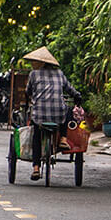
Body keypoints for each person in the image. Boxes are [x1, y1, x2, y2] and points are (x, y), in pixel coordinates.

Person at [22, 45, 78, 181]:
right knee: (66, 109)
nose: (32, 64)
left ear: (41, 63)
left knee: (36, 136)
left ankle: (36, 168)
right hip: (58, 114)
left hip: (39, 114)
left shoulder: (34, 74)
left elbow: (28, 91)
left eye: (34, 61)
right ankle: (63, 139)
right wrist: (78, 96)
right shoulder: (59, 73)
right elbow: (71, 89)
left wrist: (29, 97)